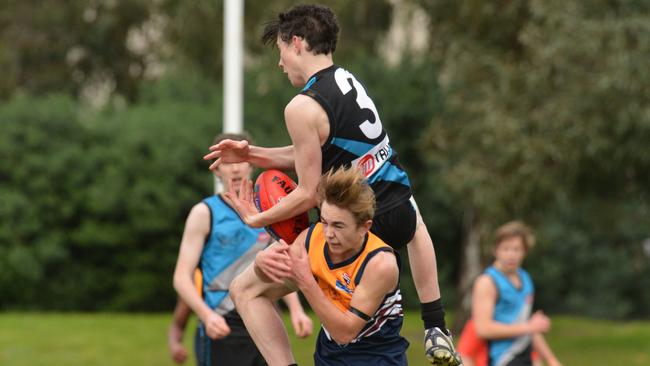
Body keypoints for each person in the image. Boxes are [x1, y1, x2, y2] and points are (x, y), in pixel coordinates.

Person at [203, 4, 460, 365]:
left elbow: (308, 192)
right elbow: (312, 153)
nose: (280, 64)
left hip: (352, 226)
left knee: (245, 290)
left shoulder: (301, 107)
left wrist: (257, 219)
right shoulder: (347, 81)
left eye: (279, 52)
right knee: (410, 221)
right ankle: (435, 327)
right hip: (400, 214)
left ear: (296, 43)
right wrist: (251, 154)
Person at [230, 166, 409, 365]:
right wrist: (261, 265)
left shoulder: (380, 263)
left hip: (376, 361)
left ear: (364, 227)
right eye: (325, 222)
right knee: (242, 289)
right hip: (328, 360)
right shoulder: (311, 239)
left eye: (339, 225)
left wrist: (306, 280)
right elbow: (255, 287)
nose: (329, 233)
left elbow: (344, 333)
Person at [173, 132, 313, 366]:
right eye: (228, 164)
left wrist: (297, 310)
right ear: (217, 170)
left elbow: (281, 262)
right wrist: (207, 316)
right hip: (222, 322)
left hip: (264, 315)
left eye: (241, 162)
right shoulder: (205, 212)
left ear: (252, 165)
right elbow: (181, 277)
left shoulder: (271, 212)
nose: (235, 170)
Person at [468, 221, 562, 366]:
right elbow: (483, 329)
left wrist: (551, 360)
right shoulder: (487, 282)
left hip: (526, 355)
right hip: (502, 359)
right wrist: (529, 327)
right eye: (505, 249)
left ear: (525, 251)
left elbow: (529, 326)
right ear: (495, 250)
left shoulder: (525, 278)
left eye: (516, 249)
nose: (511, 254)